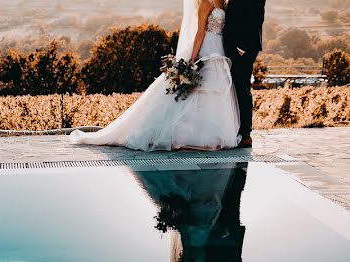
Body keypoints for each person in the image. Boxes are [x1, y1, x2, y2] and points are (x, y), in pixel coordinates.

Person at [71, 0, 240, 151]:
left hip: (219, 48)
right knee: (198, 90)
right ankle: (181, 134)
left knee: (215, 91)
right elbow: (200, 32)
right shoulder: (205, 3)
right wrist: (193, 58)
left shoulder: (222, 2)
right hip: (207, 49)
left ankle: (210, 136)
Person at [224, 0, 267, 148]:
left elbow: (256, 17)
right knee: (234, 87)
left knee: (242, 88)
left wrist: (242, 47)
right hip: (233, 46)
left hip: (242, 48)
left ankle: (245, 134)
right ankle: (235, 129)